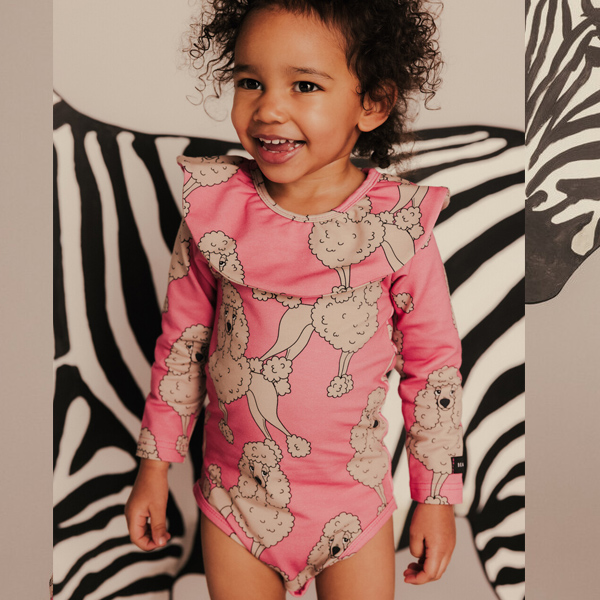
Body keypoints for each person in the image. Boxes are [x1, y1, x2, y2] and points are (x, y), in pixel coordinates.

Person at [125, 1, 464, 598]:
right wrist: (154, 466)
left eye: (304, 85)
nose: (268, 108)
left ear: (373, 103)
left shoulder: (397, 228)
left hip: (354, 507)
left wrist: (435, 496)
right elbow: (182, 346)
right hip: (235, 504)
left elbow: (432, 367)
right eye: (250, 82)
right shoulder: (217, 214)